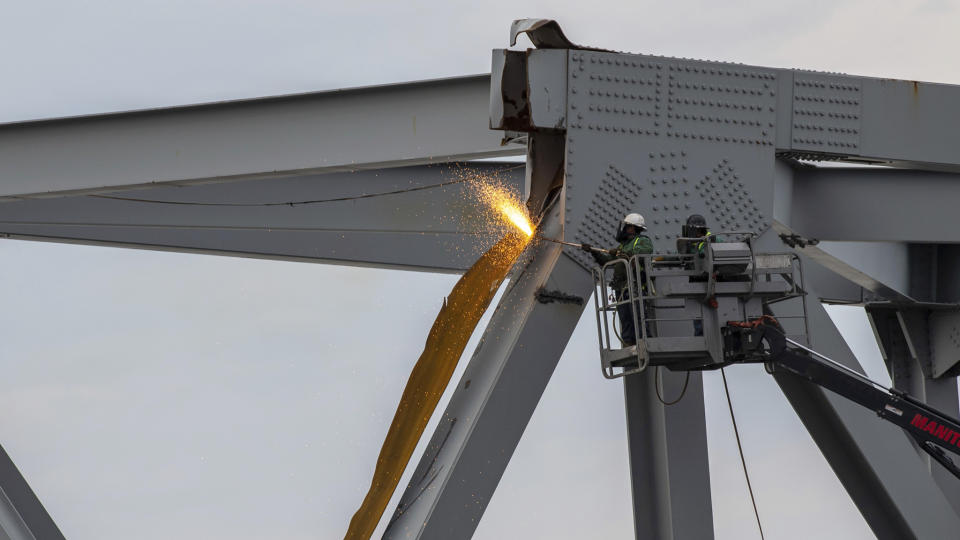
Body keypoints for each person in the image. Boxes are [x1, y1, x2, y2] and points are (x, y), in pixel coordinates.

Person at [580, 213, 653, 346]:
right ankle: (629, 344)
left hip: (634, 286)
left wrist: (623, 254)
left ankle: (644, 342)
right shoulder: (623, 246)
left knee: (637, 316)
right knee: (625, 318)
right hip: (621, 288)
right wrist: (593, 251)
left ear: (633, 228)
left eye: (627, 226)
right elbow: (607, 261)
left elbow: (642, 252)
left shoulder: (642, 241)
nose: (624, 229)